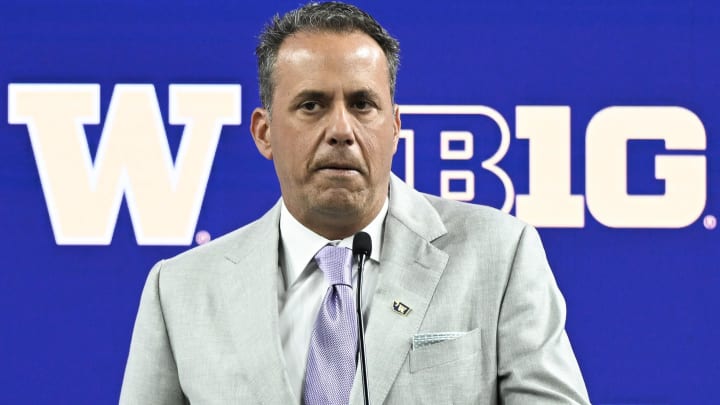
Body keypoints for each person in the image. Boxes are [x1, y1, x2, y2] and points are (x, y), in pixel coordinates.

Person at [120, 2, 591, 404]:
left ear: (395, 126)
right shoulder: (179, 291)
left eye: (363, 104)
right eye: (312, 105)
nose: (342, 130)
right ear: (265, 132)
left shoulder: (499, 255)